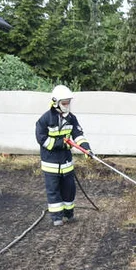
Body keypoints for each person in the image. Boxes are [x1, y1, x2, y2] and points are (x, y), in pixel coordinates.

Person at [35, 85, 93, 227]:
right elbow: (42, 139)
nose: (67, 105)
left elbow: (78, 135)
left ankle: (69, 214)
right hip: (51, 164)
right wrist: (61, 143)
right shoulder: (45, 120)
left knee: (69, 190)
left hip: (66, 163)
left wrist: (86, 149)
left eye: (68, 102)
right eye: (64, 103)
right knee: (53, 191)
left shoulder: (72, 119)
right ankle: (56, 217)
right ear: (56, 102)